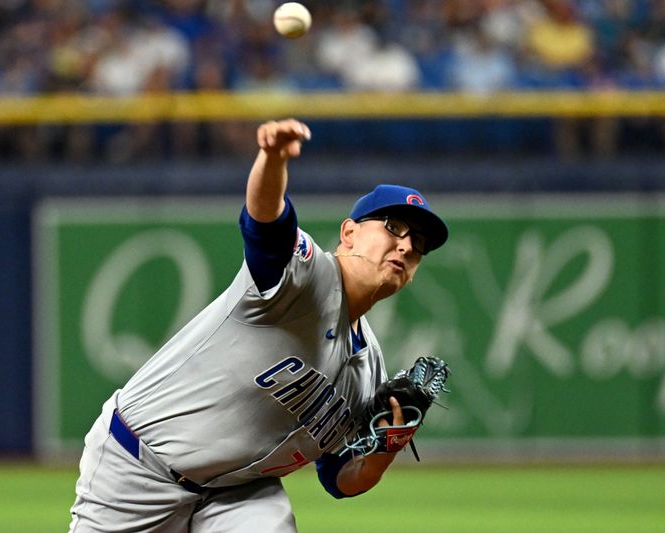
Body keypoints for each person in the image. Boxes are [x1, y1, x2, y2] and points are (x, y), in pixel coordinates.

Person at [68, 118, 449, 532]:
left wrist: (386, 449)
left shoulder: (368, 367)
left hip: (238, 491)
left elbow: (340, 478)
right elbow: (265, 222)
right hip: (140, 466)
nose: (407, 245)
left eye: (419, 245)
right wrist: (271, 158)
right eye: (394, 227)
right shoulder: (304, 276)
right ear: (349, 233)